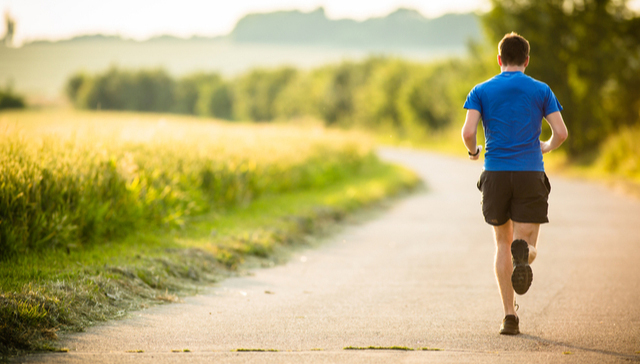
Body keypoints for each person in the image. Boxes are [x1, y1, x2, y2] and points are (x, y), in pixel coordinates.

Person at [461, 32, 568, 335]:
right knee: (527, 244)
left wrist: (473, 152)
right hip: (529, 173)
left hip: (495, 173)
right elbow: (561, 133)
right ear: (526, 60)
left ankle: (509, 316)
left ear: (499, 60)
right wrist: (545, 146)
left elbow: (468, 132)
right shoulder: (541, 89)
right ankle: (527, 255)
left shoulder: (481, 90)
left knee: (501, 244)